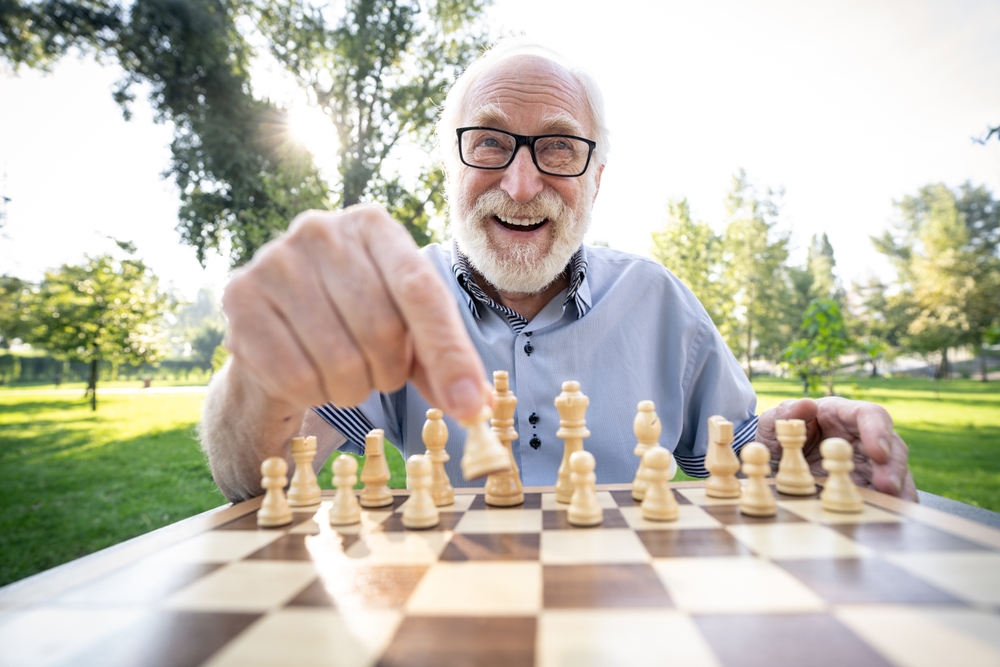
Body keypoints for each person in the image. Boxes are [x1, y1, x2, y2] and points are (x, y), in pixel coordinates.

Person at [199, 41, 917, 504]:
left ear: (597, 180)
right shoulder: (378, 302)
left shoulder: (659, 301)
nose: (518, 184)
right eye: (487, 144)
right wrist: (262, 370)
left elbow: (736, 459)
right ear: (450, 169)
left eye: (559, 148)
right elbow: (247, 478)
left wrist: (808, 450)